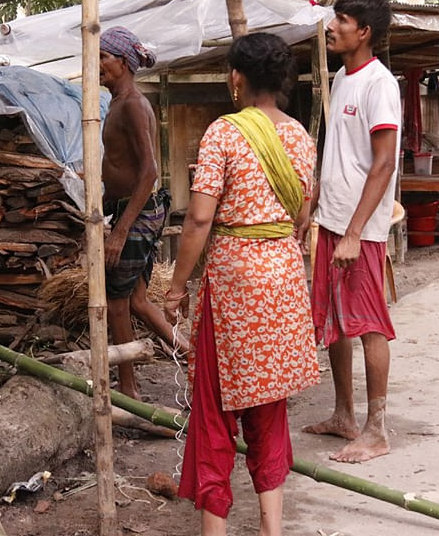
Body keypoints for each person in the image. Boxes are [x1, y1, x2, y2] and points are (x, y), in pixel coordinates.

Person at [164, 33, 319, 536]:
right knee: (269, 408)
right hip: (284, 279)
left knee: (214, 409)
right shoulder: (300, 136)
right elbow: (300, 215)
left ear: (237, 78)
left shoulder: (224, 133)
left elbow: (199, 221)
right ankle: (272, 529)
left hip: (234, 284)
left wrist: (176, 287)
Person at [299, 0, 400, 463]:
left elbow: (383, 164)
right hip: (333, 218)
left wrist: (357, 232)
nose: (332, 27)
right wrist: (313, 206)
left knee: (369, 324)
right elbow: (335, 153)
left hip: (361, 227)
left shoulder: (380, 83)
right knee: (334, 322)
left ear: (365, 31)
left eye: (341, 20)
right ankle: (344, 414)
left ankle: (376, 429)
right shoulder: (342, 76)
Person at [100, 26, 188, 400]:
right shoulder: (121, 102)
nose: (97, 65)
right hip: (132, 210)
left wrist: (120, 230)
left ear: (122, 62)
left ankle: (130, 391)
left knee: (116, 304)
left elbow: (149, 170)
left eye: (103, 58)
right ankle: (192, 353)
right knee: (137, 300)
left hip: (133, 214)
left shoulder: (133, 103)